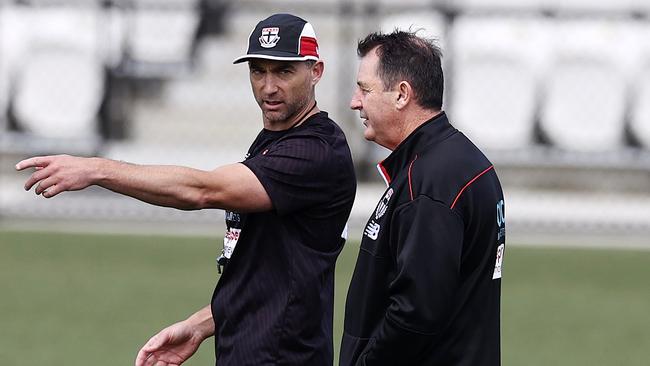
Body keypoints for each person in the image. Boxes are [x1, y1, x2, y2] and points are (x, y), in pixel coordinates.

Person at [15, 13, 356, 366]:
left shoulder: (315, 151)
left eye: (284, 71)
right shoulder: (278, 139)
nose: (268, 86)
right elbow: (271, 273)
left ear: (315, 71)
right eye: (258, 71)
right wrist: (200, 324)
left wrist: (97, 169)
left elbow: (202, 191)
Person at [340, 30, 506, 366]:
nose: (355, 101)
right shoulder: (456, 161)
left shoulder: (430, 183)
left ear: (402, 95)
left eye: (365, 89)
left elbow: (416, 313)